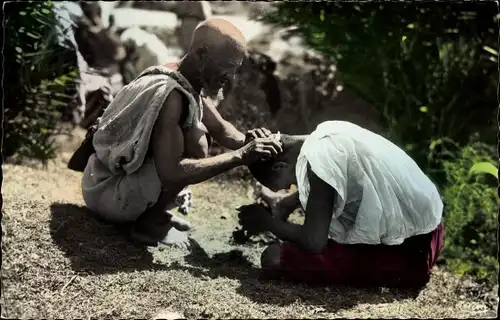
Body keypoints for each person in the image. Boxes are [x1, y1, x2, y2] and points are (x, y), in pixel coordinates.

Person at [80, 18, 282, 249]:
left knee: (198, 135)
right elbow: (173, 171)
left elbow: (222, 129)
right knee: (198, 143)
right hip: (109, 194)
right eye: (227, 66)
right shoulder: (172, 95)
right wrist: (240, 157)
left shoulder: (184, 78)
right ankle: (149, 224)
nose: (231, 77)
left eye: (235, 69)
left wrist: (254, 141)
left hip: (99, 183)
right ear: (202, 54)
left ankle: (153, 214)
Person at [240, 120, 444, 289]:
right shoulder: (327, 134)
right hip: (433, 236)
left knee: (274, 258)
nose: (292, 185)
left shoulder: (318, 162)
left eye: (286, 184)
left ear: (280, 166)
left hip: (409, 258)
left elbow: (314, 242)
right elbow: (344, 187)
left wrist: (266, 222)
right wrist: (287, 204)